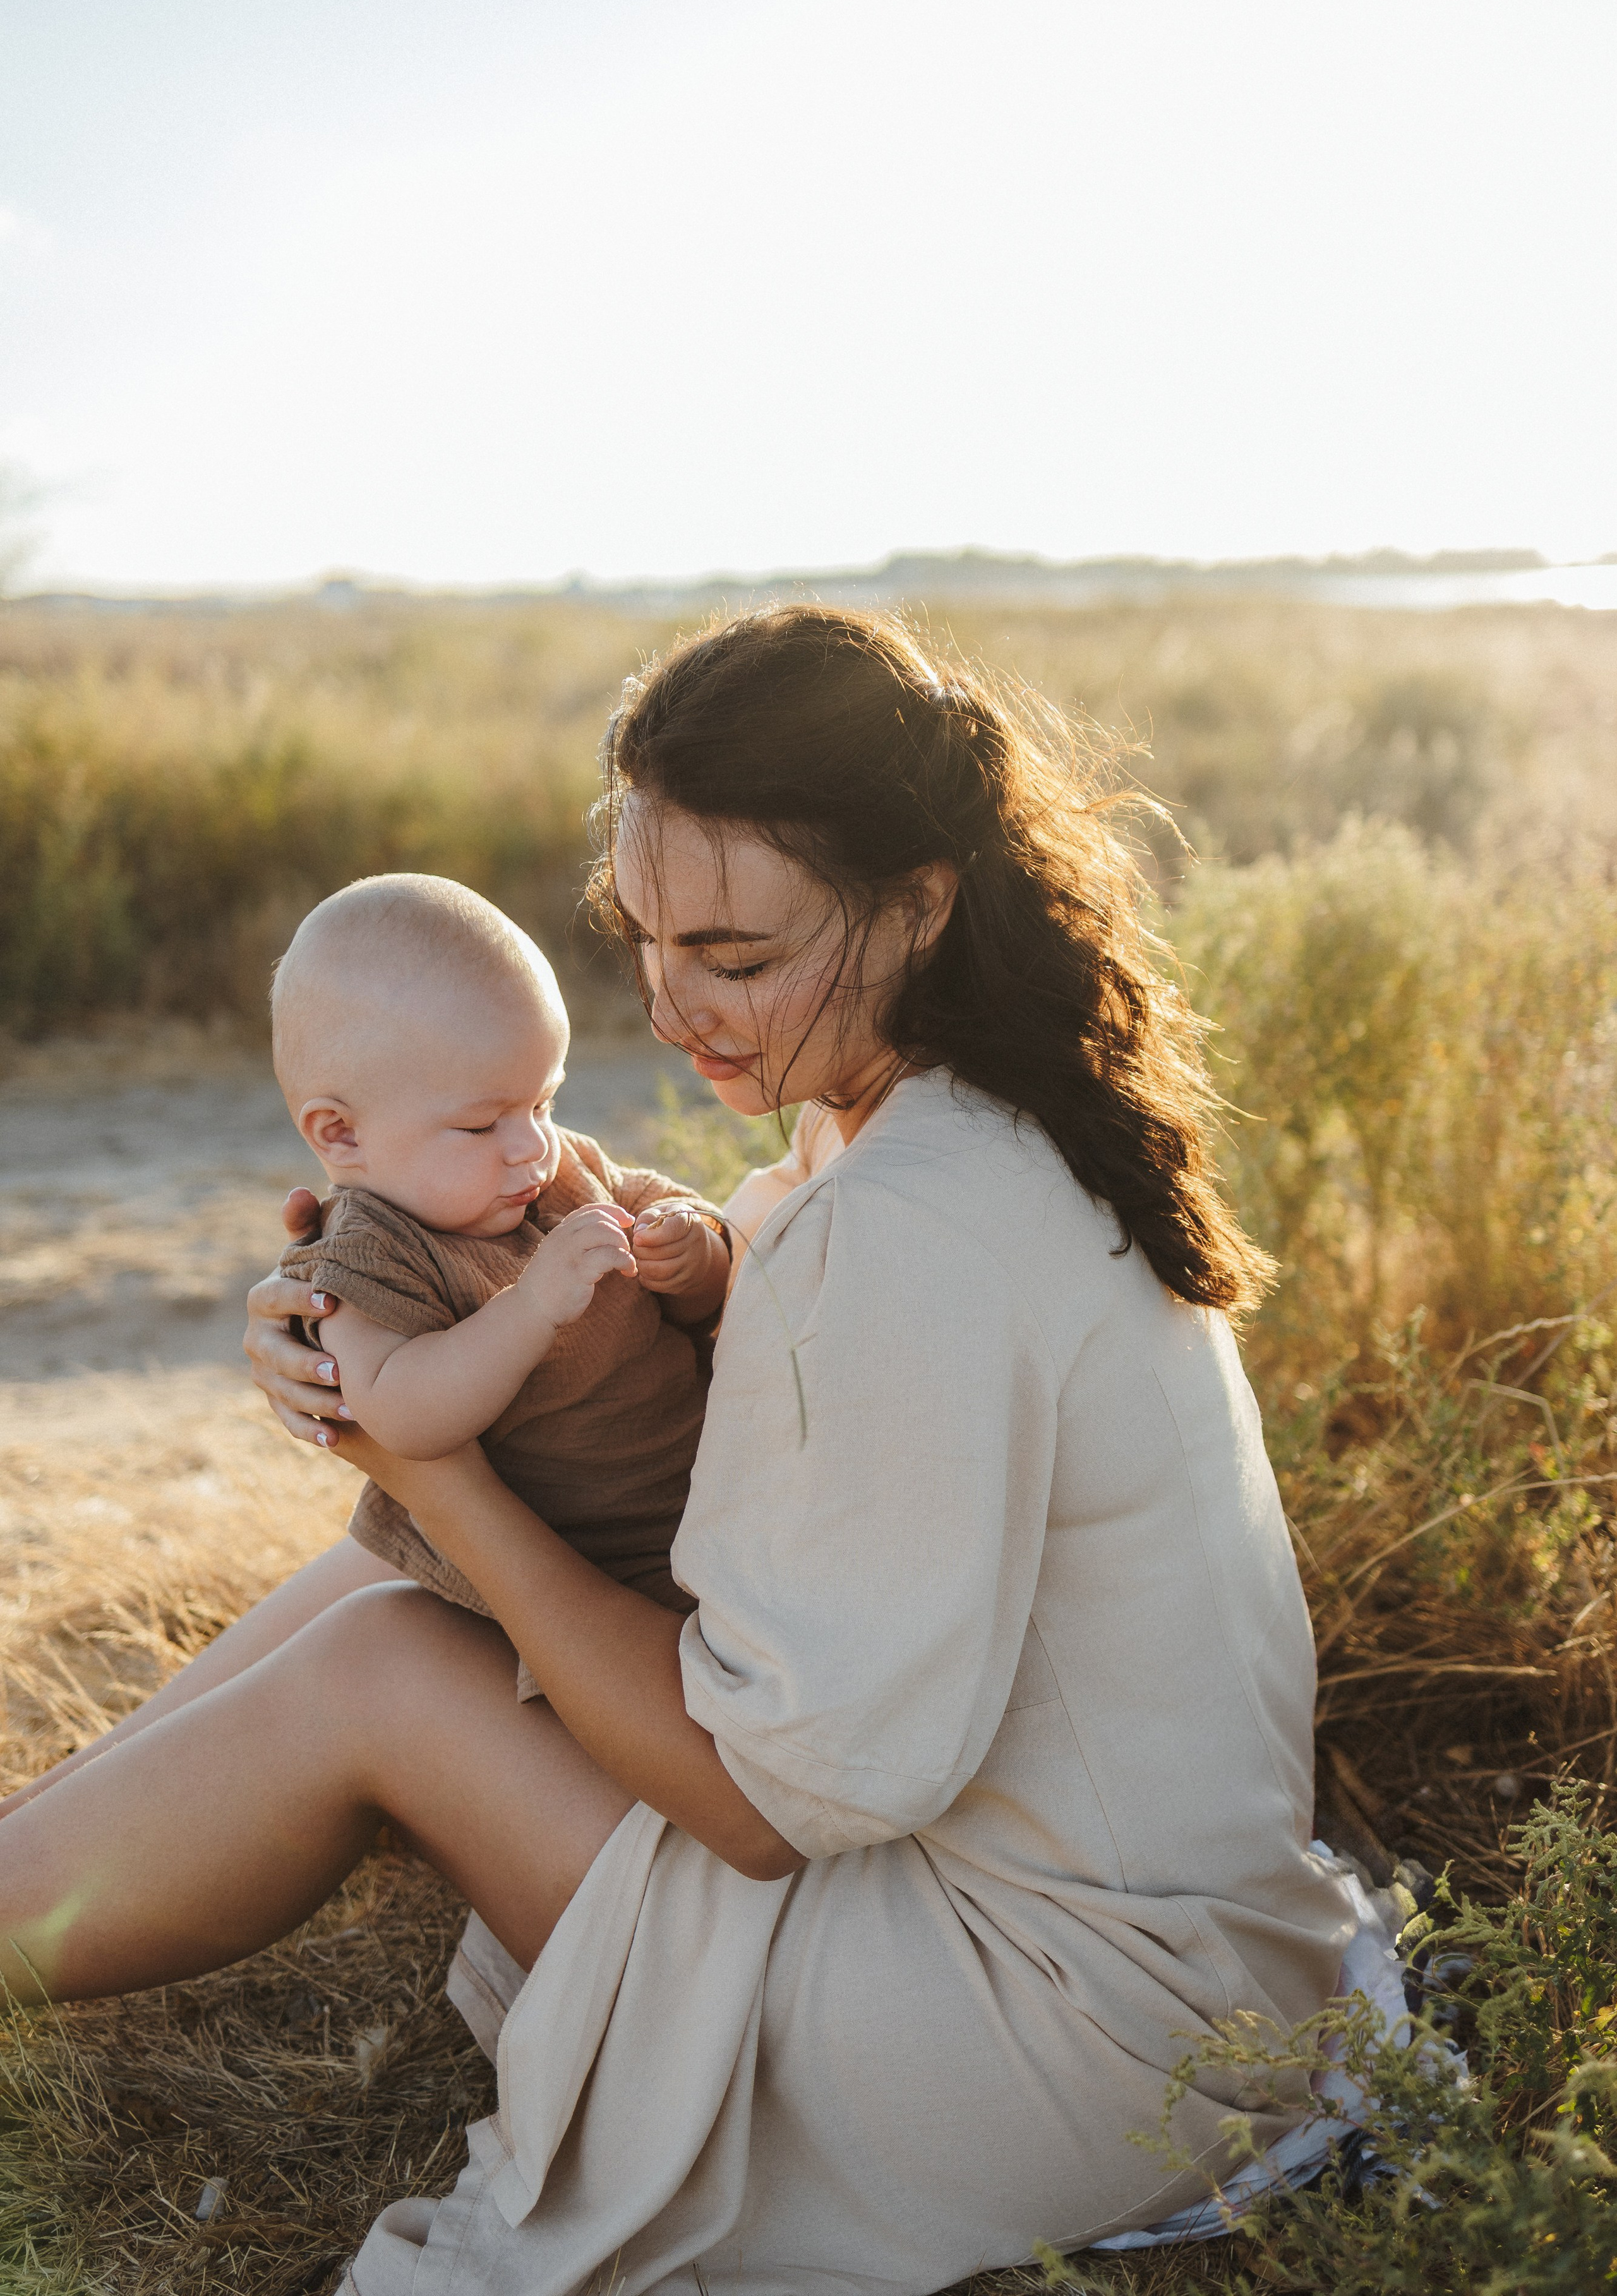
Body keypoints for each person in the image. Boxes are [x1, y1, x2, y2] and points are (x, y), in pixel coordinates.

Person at [0, 605, 1357, 2294]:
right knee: (389, 1580)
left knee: (386, 1657)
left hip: (1069, 2044)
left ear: (920, 904)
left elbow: (757, 1813)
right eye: (644, 942)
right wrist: (384, 1306)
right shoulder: (957, 1120)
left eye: (736, 956)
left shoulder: (915, 1227)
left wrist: (436, 1472)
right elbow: (747, 1351)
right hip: (1183, 1962)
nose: (673, 1007)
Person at [270, 871, 730, 1684]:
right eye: (483, 1124)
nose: (531, 1146)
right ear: (340, 1135)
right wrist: (531, 1308)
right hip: (585, 1583)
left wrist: (693, 1253)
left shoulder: (555, 1170)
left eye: (544, 1103)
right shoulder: (367, 1254)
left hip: (717, 1510)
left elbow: (693, 1252)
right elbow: (403, 1418)